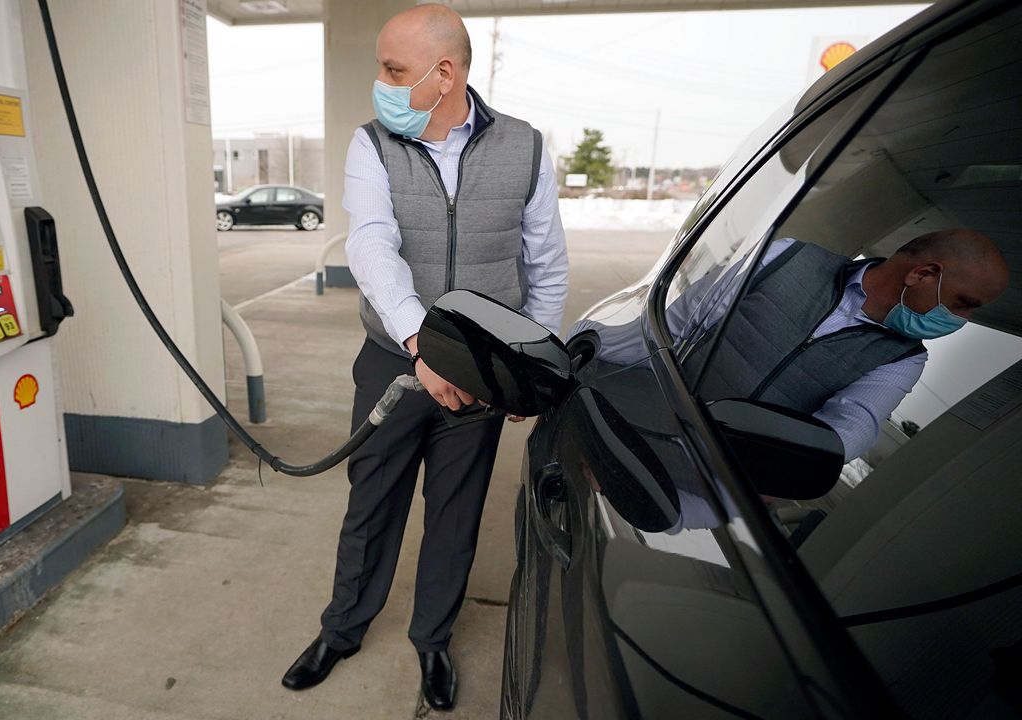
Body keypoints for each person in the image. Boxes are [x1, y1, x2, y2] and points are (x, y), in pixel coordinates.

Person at [279, 4, 567, 711]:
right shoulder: (372, 145)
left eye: (393, 69)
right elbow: (370, 245)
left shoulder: (525, 148)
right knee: (371, 504)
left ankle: (432, 639)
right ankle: (343, 629)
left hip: (483, 373)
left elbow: (547, 268)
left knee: (456, 510)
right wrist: (420, 346)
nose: (380, 82)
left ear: (445, 74)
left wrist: (531, 374)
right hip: (392, 360)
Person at [573, 228, 1009, 527]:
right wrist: (567, 358)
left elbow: (836, 442)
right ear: (922, 274)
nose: (961, 320)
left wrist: (685, 512)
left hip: (678, 503)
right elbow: (665, 333)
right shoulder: (784, 258)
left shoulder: (901, 360)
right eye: (962, 303)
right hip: (610, 443)